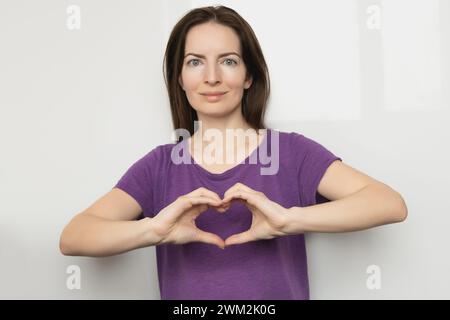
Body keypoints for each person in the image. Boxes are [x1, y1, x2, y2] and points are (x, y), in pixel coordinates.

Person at [59, 5, 408, 300]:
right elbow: (74, 236)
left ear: (248, 76)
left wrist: (290, 221)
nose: (211, 77)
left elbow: (388, 204)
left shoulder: (290, 153)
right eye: (195, 62)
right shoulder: (160, 166)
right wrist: (154, 231)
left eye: (227, 61)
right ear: (179, 79)